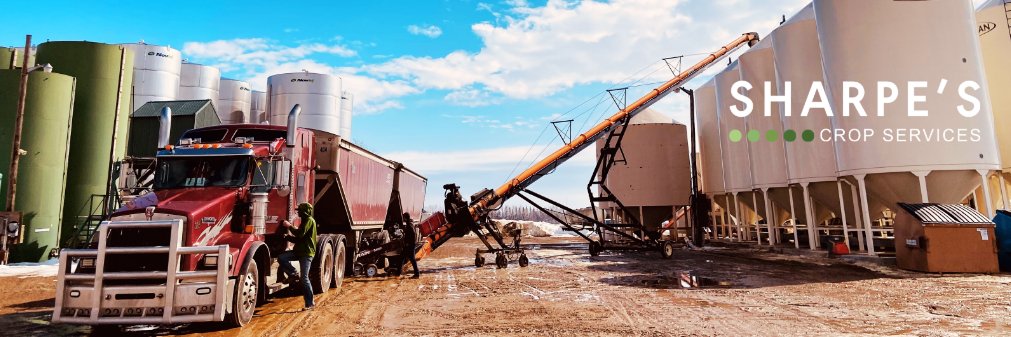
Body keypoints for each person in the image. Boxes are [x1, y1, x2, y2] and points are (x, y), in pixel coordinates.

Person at [278, 203, 318, 310]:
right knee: (282, 258)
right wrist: (287, 237)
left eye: (299, 210)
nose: (298, 212)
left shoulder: (309, 220)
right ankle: (293, 274)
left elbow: (300, 234)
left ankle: (310, 304)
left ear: (304, 211)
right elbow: (299, 239)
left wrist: (289, 226)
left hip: (306, 253)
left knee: (304, 278)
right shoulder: (304, 221)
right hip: (299, 251)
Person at [401, 213, 420, 279]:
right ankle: (399, 272)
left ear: (406, 218)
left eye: (404, 217)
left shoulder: (409, 225)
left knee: (412, 259)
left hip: (410, 245)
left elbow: (413, 235)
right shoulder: (409, 224)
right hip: (409, 245)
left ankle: (417, 274)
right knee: (403, 257)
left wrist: (408, 243)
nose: (403, 219)